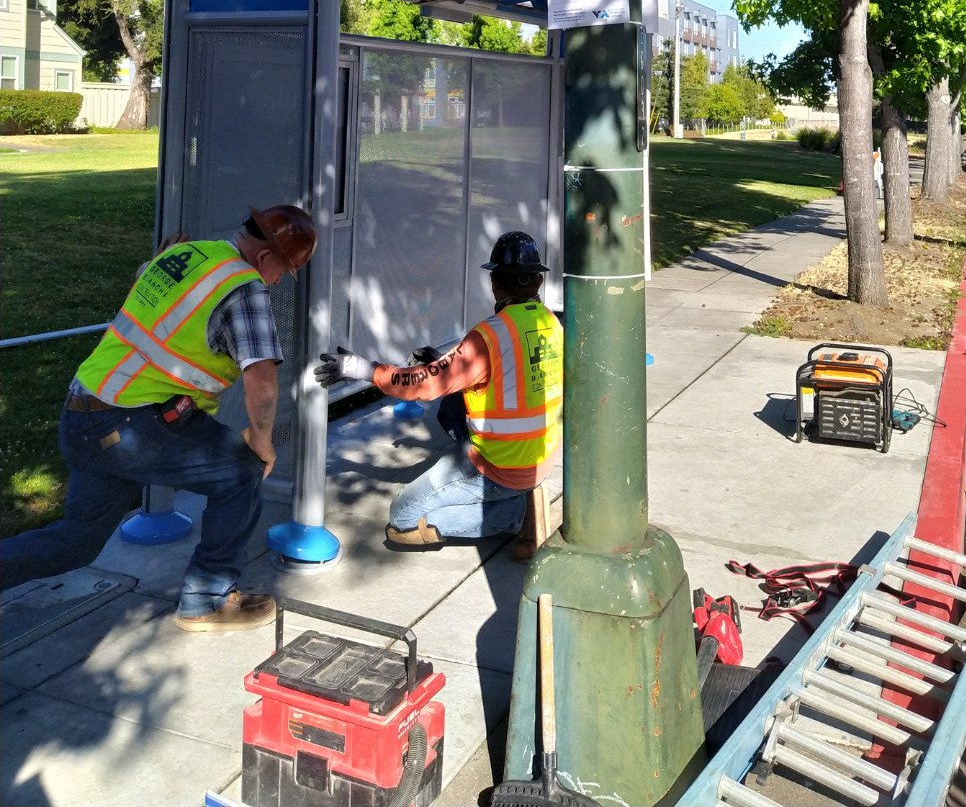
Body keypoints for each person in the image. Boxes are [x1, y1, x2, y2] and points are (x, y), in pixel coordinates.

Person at [0, 205, 317, 632]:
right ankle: (208, 599)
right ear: (264, 258)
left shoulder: (187, 255)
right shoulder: (245, 287)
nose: (278, 281)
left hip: (83, 411)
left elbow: (144, 289)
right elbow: (261, 376)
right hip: (129, 423)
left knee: (74, 544)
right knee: (242, 470)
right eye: (282, 271)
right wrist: (262, 439)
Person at [315, 231, 563, 557]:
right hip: (539, 459)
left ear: (496, 283)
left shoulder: (490, 335)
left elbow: (423, 385)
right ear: (537, 282)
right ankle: (516, 500)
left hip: (498, 465)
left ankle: (514, 515)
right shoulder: (551, 324)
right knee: (453, 404)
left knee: (403, 519)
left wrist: (362, 369)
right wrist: (441, 363)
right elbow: (512, 374)